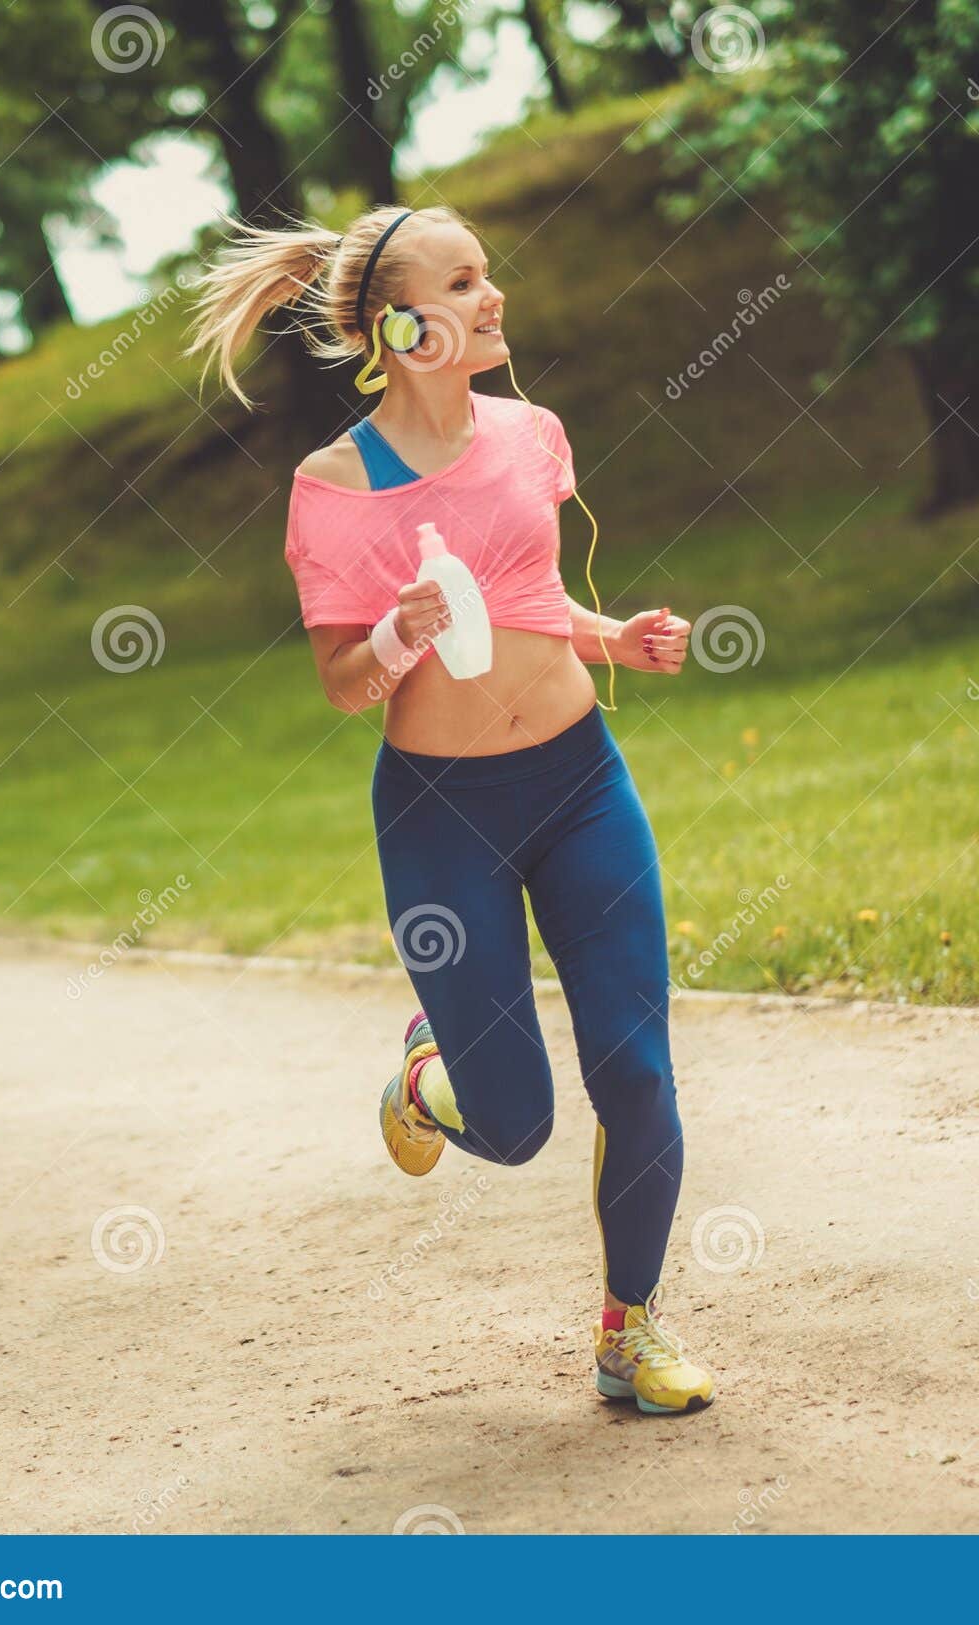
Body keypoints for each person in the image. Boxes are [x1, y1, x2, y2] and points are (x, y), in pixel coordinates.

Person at [184, 202, 715, 1415]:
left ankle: (629, 1332)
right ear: (404, 325)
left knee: (635, 1075)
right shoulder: (334, 485)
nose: (496, 299)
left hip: (582, 783)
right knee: (517, 1123)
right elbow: (339, 680)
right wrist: (392, 632)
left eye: (489, 276)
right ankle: (429, 1076)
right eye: (468, 283)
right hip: (443, 812)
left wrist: (615, 635)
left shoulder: (531, 433)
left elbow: (532, 600)